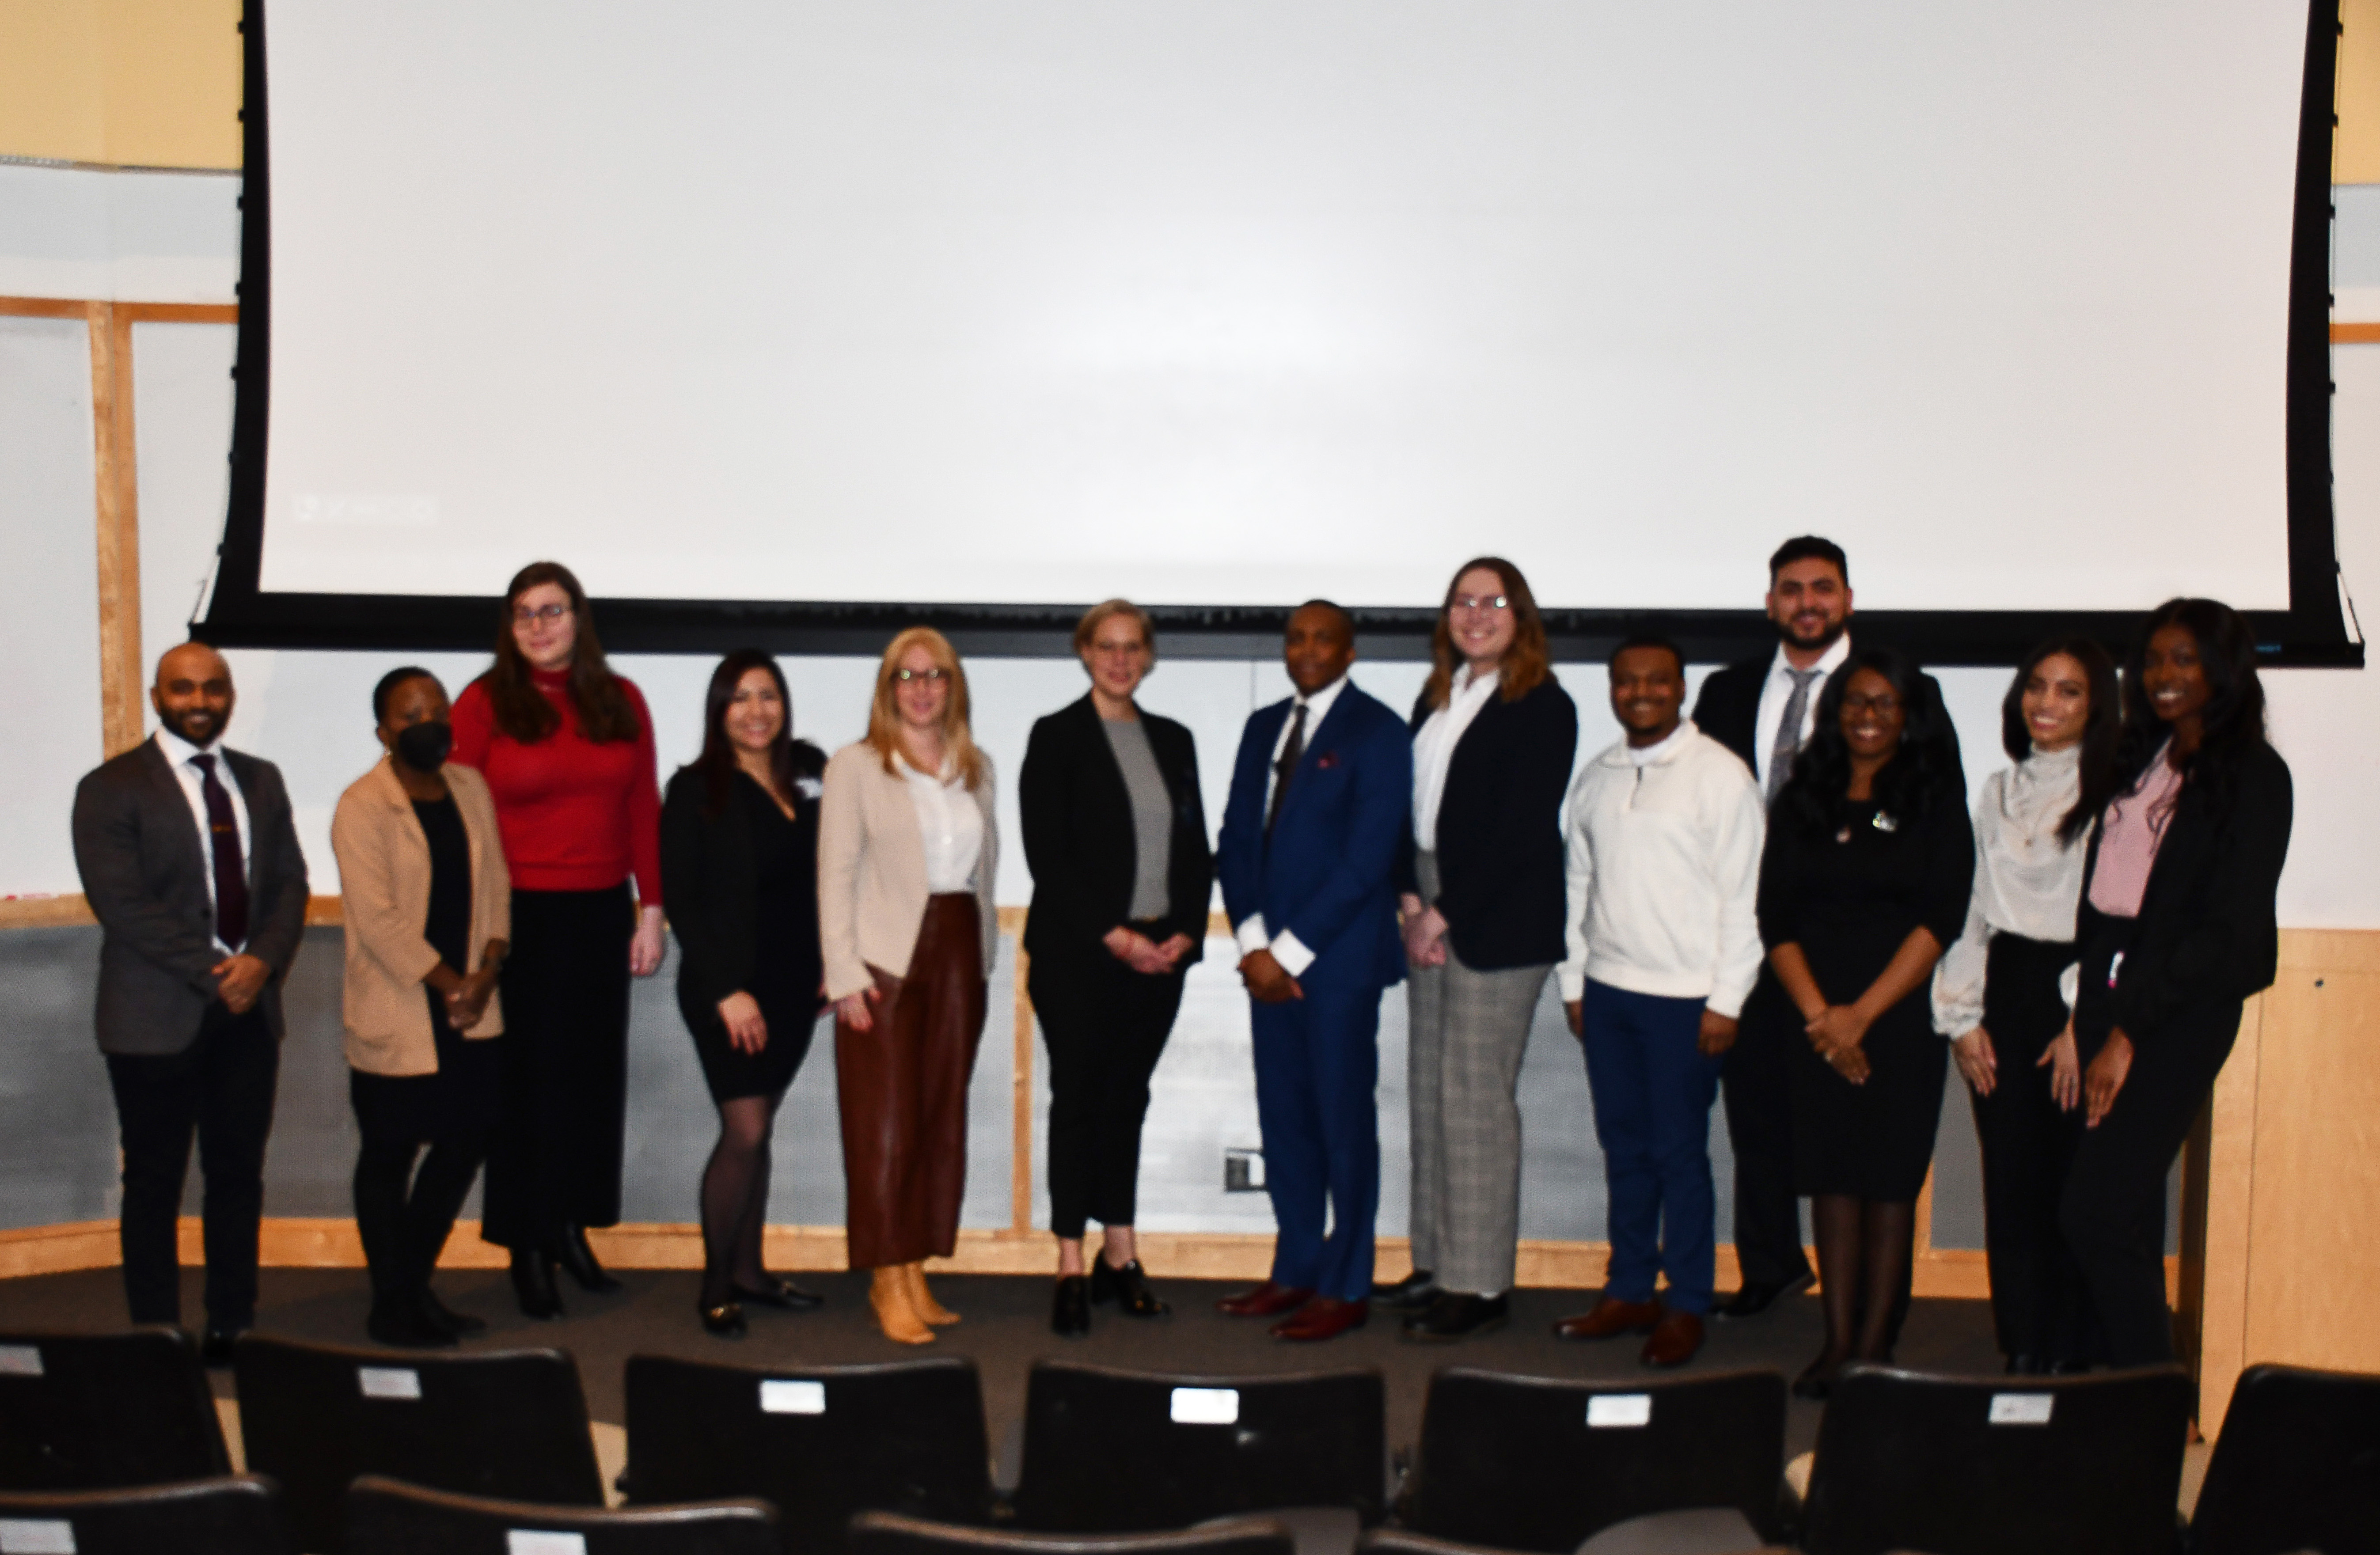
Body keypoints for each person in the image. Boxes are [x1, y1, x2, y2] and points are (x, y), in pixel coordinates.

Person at [2063, 599, 2290, 1367]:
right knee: (2122, 1216)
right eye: (2154, 660)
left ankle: (2155, 1405)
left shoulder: (2255, 777)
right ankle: (2114, 1394)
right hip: (2105, 995)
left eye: (2185, 660)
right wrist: (2083, 1012)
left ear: (2223, 670)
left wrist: (2129, 1031)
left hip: (2175, 1014)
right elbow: (2109, 896)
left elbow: (2232, 935)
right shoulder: (2143, 754)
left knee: (2094, 1214)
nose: (2163, 676)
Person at [71, 642, 310, 1363]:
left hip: (248, 1016)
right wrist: (221, 972)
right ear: (157, 697)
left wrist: (263, 963)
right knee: (153, 1180)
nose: (200, 702)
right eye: (184, 689)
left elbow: (291, 886)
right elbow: (123, 906)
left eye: (213, 688)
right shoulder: (111, 787)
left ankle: (232, 1323)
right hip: (154, 1017)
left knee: (238, 1174)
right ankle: (156, 1335)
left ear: (229, 695)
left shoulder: (262, 782)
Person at [449, 561, 666, 1318]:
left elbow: (642, 803)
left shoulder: (621, 699)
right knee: (525, 1092)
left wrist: (651, 909)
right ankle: (526, 1247)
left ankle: (572, 1229)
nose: (540, 626)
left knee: (589, 1086)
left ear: (580, 618)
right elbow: (457, 819)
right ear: (509, 628)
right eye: (523, 614)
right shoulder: (483, 704)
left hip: (601, 914)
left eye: (553, 611)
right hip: (519, 923)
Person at [1757, 645, 1974, 1397]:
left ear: (1910, 716)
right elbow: (1773, 915)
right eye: (1855, 701)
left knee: (1887, 1184)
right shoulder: (1803, 795)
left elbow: (1940, 916)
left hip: (1897, 1019)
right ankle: (1837, 1343)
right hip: (1811, 1017)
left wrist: (1861, 1018)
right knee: (1831, 1180)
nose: (1868, 716)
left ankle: (1877, 1348)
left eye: (1885, 703)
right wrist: (1823, 1018)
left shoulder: (1935, 796)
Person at [1551, 631, 1765, 1367]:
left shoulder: (1720, 777)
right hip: (1609, 995)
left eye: (1657, 681)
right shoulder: (1598, 777)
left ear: (1681, 690)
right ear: (1612, 690)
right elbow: (1577, 887)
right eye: (1627, 681)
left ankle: (1688, 1301)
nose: (1641, 692)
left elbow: (1745, 899)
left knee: (1679, 1154)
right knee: (1624, 1149)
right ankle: (1630, 1287)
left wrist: (1727, 1001)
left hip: (1688, 1003)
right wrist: (1575, 984)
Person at [1379, 558, 1576, 1342]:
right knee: (1433, 1088)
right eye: (1463, 602)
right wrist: (1407, 896)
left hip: (1495, 915)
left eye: (1493, 601)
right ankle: (1437, 1262)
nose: (1476, 613)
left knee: (1476, 1100)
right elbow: (1405, 803)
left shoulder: (1542, 706)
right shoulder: (1437, 697)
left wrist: (1444, 913)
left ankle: (1481, 1283)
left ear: (1520, 617)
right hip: (1429, 899)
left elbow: (1521, 830)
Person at [1213, 600, 1412, 1343]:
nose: (1307, 649)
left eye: (1323, 638)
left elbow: (1367, 860)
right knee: (1286, 1121)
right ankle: (1295, 1267)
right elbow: (1236, 838)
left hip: (1337, 965)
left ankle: (1347, 1281)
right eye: (1295, 637)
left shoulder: (1379, 730)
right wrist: (1253, 944)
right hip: (1267, 964)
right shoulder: (1264, 725)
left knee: (1342, 1122)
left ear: (1351, 651)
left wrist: (1287, 956)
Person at [1020, 601, 1215, 1338]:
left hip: (1159, 961)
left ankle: (1119, 1255)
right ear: (1084, 652)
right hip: (1079, 957)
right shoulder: (1057, 736)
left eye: (1134, 647)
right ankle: (1070, 1262)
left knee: (1127, 1099)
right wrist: (1113, 935)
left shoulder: (1175, 740)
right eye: (1107, 646)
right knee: (1078, 1100)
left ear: (1150, 656)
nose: (1121, 659)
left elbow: (1195, 849)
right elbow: (1050, 854)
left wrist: (1188, 934)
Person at [1933, 638, 2121, 1374]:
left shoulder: (2118, 793)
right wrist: (1962, 1018)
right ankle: (2024, 1345)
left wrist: (2084, 1024)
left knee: (2072, 1185)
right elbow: (1973, 909)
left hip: (2077, 992)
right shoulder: (1995, 790)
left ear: (2097, 705)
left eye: (2069, 691)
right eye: (2037, 687)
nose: (2047, 704)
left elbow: (2116, 922)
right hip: (2004, 986)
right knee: (2009, 1178)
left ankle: (2074, 1351)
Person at [818, 628, 1000, 1345]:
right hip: (885, 961)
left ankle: (915, 1265)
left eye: (936, 676)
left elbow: (985, 874)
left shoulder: (975, 767)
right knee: (883, 1128)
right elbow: (834, 874)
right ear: (887, 687)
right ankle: (884, 1276)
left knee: (936, 1118)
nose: (922, 689)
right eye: (907, 676)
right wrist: (843, 974)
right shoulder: (856, 766)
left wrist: (982, 962)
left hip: (959, 953)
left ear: (953, 688)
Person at [1686, 535, 1852, 1319]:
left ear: (1847, 601)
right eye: (1792, 589)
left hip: (1844, 938)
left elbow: (1915, 801)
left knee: (1837, 1115)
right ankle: (1771, 1265)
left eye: (1822, 588)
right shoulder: (1727, 690)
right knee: (1753, 1110)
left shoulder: (1889, 685)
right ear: (1770, 602)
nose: (1807, 602)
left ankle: (1852, 1290)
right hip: (1746, 932)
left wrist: (1867, 828)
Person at [330, 668, 509, 1348]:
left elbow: (497, 885)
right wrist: (451, 985)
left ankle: (411, 1290)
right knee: (389, 1153)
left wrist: (488, 973)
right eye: (410, 714)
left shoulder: (471, 788)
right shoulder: (362, 804)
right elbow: (376, 920)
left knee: (465, 1144)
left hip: (472, 1007)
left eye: (437, 708)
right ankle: (392, 1304)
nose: (428, 721)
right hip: (405, 1006)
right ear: (384, 731)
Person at [661, 651, 831, 1340]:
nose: (756, 710)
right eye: (740, 698)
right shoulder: (696, 788)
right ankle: (714, 1285)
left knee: (762, 1133)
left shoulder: (809, 780)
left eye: (768, 696)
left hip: (794, 988)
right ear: (719, 711)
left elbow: (820, 884)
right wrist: (728, 990)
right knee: (745, 1130)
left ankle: (752, 1273)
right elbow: (684, 900)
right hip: (727, 990)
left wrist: (830, 965)